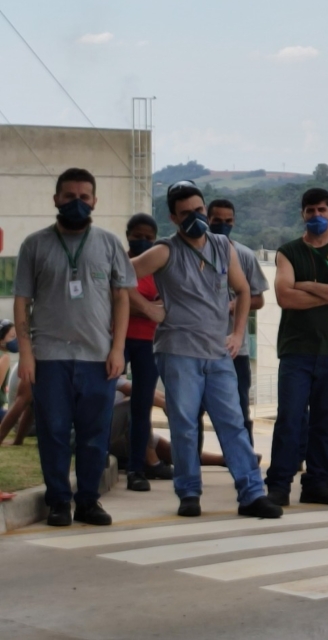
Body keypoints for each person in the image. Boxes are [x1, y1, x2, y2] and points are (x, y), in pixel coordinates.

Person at [132, 181, 280, 519]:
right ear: (173, 217)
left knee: (233, 423)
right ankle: (189, 493)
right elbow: (120, 276)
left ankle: (252, 494)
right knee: (184, 425)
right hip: (177, 351)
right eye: (186, 214)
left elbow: (244, 291)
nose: (195, 218)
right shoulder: (164, 250)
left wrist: (238, 333)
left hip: (217, 352)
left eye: (199, 211)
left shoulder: (223, 245)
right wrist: (147, 308)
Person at [13, 168, 135, 526]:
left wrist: (118, 350)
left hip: (98, 358)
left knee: (94, 435)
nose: (77, 204)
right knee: (52, 433)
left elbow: (122, 300)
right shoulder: (34, 244)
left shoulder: (109, 244)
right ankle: (57, 502)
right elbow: (22, 302)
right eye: (69, 197)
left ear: (95, 201)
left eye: (84, 197)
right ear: (56, 199)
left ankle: (88, 502)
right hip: (49, 358)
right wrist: (26, 354)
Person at [266, 188, 328, 507]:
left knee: (326, 421)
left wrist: (307, 286)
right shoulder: (288, 251)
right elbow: (285, 297)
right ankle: (279, 484)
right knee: (290, 419)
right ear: (303, 214)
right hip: (297, 350)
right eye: (310, 211)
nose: (317, 216)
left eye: (322, 210)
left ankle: (318, 483)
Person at [207, 199, 271, 445]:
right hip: (198, 347)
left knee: (240, 407)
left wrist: (234, 305)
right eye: (217, 221)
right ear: (207, 219)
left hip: (236, 349)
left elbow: (258, 299)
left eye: (228, 221)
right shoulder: (192, 253)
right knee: (194, 412)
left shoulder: (243, 255)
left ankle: (245, 460)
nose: (223, 226)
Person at [123, 214, 168, 492]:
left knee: (141, 408)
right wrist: (149, 307)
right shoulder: (120, 263)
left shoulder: (158, 266)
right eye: (137, 236)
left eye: (148, 237)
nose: (143, 241)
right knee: (102, 403)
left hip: (148, 343)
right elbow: (116, 295)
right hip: (117, 340)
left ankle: (136, 469)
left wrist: (136, 304)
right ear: (128, 235)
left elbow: (167, 304)